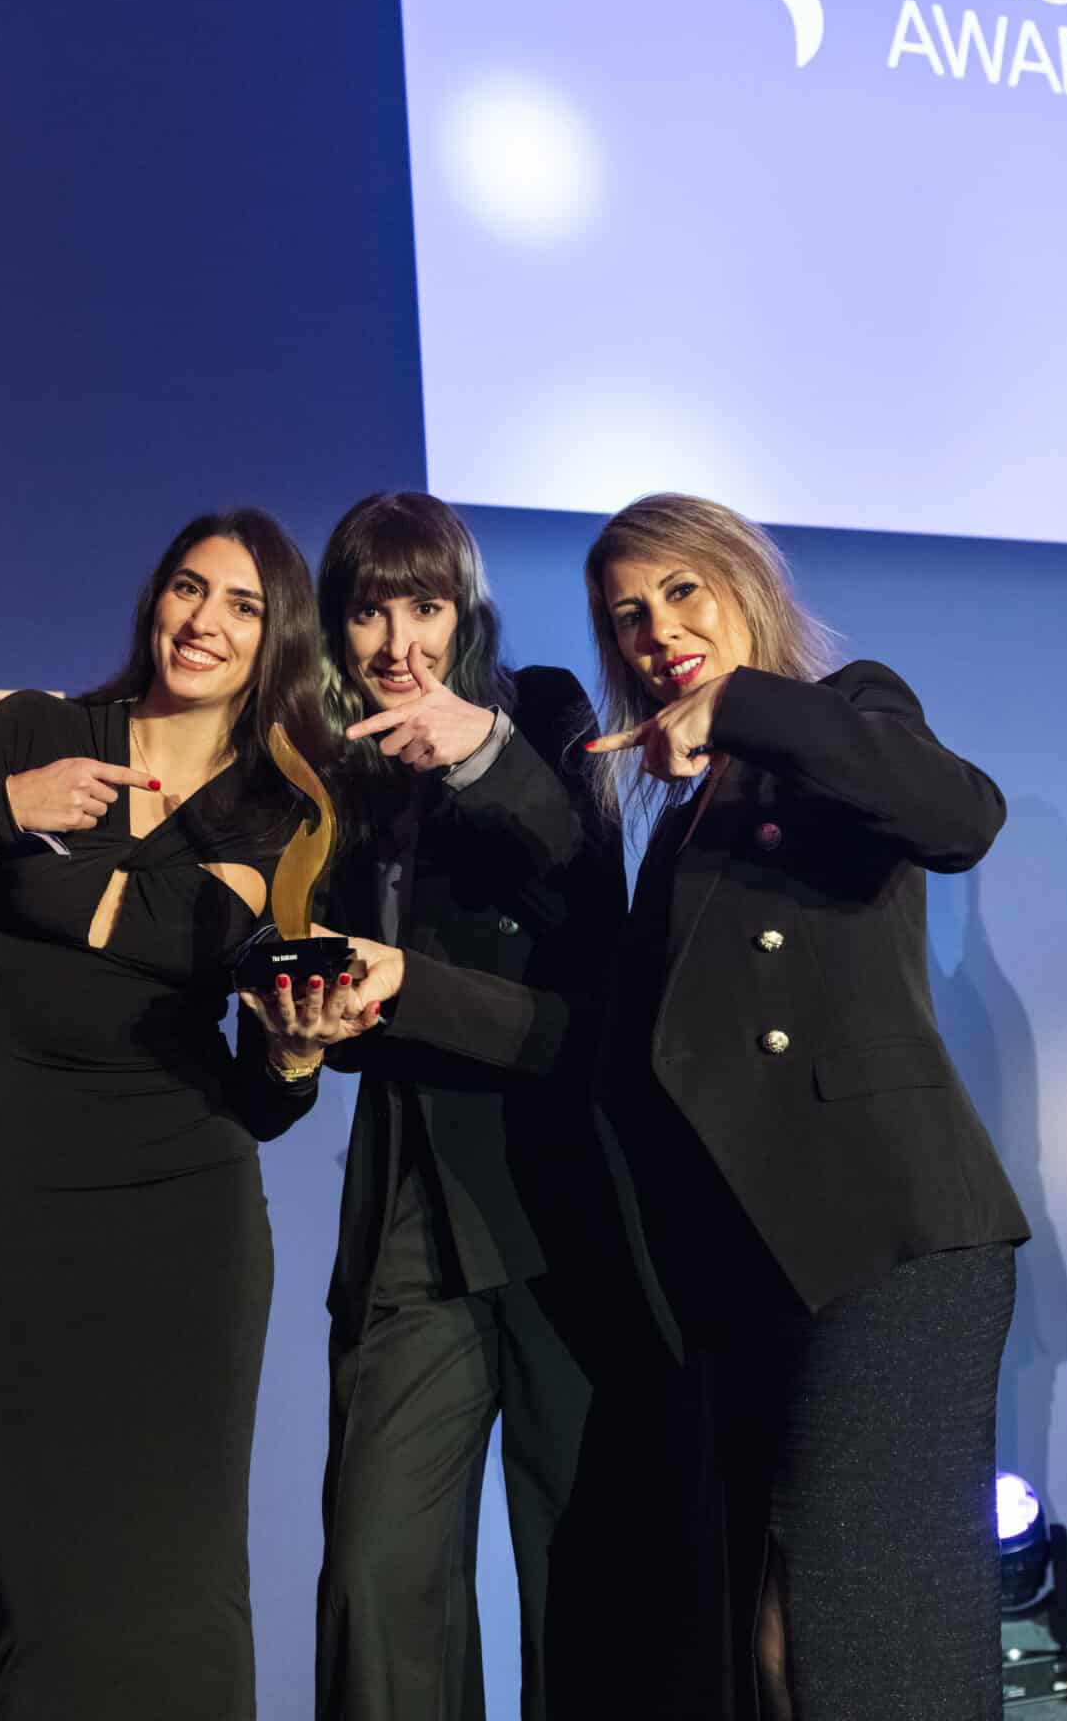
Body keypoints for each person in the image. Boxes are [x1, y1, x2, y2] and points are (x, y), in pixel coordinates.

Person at [0, 510, 341, 1721]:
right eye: (188, 587)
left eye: (243, 605)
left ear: (278, 637)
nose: (204, 621)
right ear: (154, 597)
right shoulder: (36, 733)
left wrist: (294, 1060)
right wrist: (1, 812)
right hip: (8, 1207)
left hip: (188, 1214)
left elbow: (265, 1091)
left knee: (185, 1581)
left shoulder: (285, 813)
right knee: (45, 1593)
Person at [245, 492, 697, 1721]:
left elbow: (591, 910)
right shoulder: (328, 779)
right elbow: (316, 996)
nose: (400, 643)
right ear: (335, 627)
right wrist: (304, 1034)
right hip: (411, 1220)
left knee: (584, 1575)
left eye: (426, 607)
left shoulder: (539, 711)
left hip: (563, 1208)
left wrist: (482, 752)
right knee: (375, 1581)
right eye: (370, 613)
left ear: (466, 613)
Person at [577, 492, 1029, 1720]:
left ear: (746, 585)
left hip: (888, 1245)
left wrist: (745, 703)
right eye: (627, 615)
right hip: (757, 1273)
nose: (657, 632)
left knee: (863, 1640)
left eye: (682, 590)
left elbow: (961, 815)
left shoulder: (845, 714)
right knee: (788, 1642)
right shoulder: (682, 828)